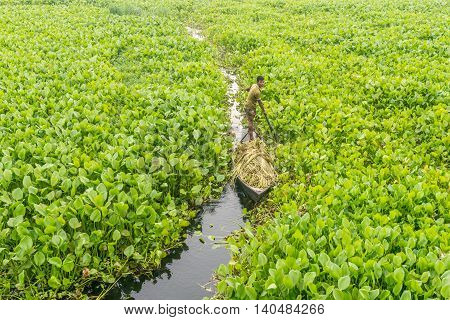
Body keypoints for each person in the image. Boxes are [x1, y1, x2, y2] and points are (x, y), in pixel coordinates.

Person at [244, 75, 266, 140]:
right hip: (250, 107)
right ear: (257, 82)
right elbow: (260, 103)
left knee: (250, 120)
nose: (262, 83)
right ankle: (251, 138)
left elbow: (248, 88)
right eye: (261, 82)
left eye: (263, 82)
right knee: (250, 121)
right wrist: (264, 110)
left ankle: (250, 131)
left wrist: (247, 91)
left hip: (247, 105)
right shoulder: (257, 92)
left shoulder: (254, 85)